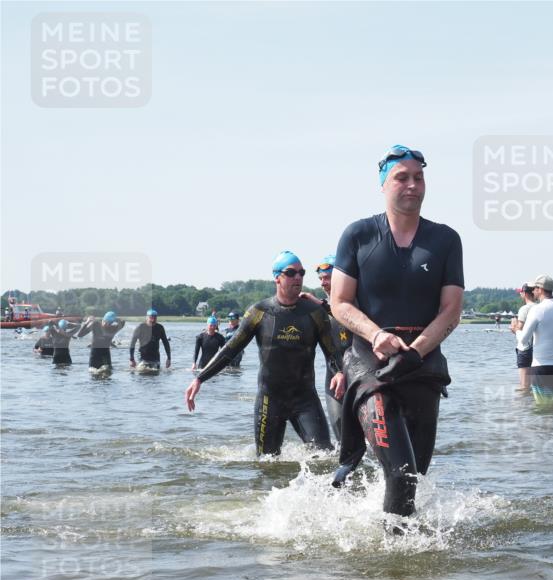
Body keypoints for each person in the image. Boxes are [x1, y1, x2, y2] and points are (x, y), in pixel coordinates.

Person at [328, 145, 463, 522]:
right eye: (401, 178)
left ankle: (394, 549)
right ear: (383, 185)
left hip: (422, 363)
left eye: (418, 177)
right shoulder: (358, 234)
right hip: (372, 366)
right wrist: (376, 336)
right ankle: (394, 571)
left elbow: (452, 310)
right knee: (401, 477)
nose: (412, 185)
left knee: (414, 477)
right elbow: (340, 303)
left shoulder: (445, 240)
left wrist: (416, 351)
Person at [184, 251, 339, 456]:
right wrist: (200, 378)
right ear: (277, 277)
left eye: (301, 273)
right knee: (267, 464)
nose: (298, 277)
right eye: (291, 273)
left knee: (325, 456)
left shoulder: (314, 312)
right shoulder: (260, 312)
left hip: (305, 400)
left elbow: (332, 352)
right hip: (270, 400)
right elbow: (230, 349)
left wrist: (339, 372)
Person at [300, 254, 351, 441]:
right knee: (341, 434)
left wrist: (319, 303)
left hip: (358, 373)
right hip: (334, 375)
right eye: (320, 278)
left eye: (327, 277)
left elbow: (341, 313)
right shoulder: (319, 309)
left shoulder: (355, 303)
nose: (323, 283)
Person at [517, 275, 553, 406]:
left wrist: (516, 330)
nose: (533, 291)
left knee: (543, 409)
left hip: (542, 369)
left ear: (540, 289)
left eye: (534, 288)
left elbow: (524, 340)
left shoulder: (537, 310)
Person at [509, 283, 536, 390]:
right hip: (537, 348)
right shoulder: (540, 307)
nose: (520, 293)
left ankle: (523, 405)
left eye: (521, 292)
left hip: (525, 349)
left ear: (525, 293)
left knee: (524, 387)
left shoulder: (524, 309)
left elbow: (519, 330)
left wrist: (513, 326)